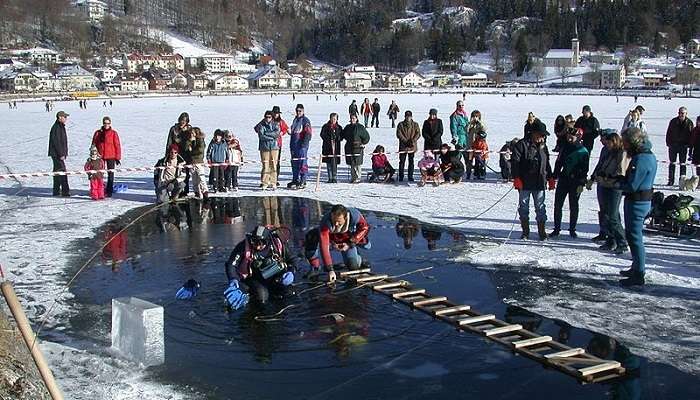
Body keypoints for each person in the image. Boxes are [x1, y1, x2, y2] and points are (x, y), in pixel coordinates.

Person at [616, 128, 657, 286]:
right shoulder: (649, 156)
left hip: (637, 202)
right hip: (641, 200)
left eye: (625, 142)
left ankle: (639, 273)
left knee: (634, 237)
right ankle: (636, 267)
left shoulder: (641, 159)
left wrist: (617, 183)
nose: (624, 146)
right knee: (633, 236)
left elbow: (632, 185)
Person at [223, 226, 299, 307]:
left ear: (268, 240)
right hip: (254, 278)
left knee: (290, 293)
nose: (257, 246)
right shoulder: (243, 247)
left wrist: (291, 272)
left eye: (261, 243)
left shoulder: (277, 243)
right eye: (254, 242)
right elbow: (231, 265)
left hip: (276, 277)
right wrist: (233, 279)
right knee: (262, 297)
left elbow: (292, 259)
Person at [589, 130, 629, 253]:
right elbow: (600, 165)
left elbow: (621, 172)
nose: (605, 144)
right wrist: (595, 176)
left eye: (608, 142)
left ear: (614, 141)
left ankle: (622, 242)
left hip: (614, 187)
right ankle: (611, 239)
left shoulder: (622, 153)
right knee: (606, 214)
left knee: (613, 216)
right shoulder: (608, 152)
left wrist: (608, 177)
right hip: (604, 185)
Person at [511, 128, 554, 240]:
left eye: (543, 136)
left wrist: (550, 177)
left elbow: (547, 163)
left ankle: (542, 232)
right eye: (541, 135)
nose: (542, 138)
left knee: (540, 207)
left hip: (539, 182)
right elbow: (515, 162)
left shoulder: (543, 147)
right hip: (524, 182)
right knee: (524, 207)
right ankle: (525, 232)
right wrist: (516, 177)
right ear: (534, 134)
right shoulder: (522, 145)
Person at [550, 127, 589, 238]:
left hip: (576, 182)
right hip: (564, 179)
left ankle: (572, 229)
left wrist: (581, 183)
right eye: (568, 137)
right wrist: (554, 176)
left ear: (578, 137)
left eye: (571, 137)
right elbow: (559, 163)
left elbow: (584, 169)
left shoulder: (583, 151)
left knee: (573, 205)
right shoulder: (564, 148)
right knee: (558, 205)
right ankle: (557, 229)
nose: (569, 139)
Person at [316, 204, 371, 283]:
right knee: (312, 237)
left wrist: (350, 244)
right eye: (334, 221)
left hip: (349, 238)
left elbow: (364, 228)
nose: (336, 224)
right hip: (335, 240)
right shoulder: (325, 223)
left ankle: (359, 256)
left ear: (345, 218)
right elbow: (324, 246)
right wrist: (330, 270)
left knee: (353, 266)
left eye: (339, 221)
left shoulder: (354, 216)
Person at [91, 116, 122, 197]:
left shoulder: (113, 133)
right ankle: (99, 189)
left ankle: (109, 190)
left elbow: (117, 145)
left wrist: (118, 157)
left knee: (110, 174)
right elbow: (93, 144)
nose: (106, 125)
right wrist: (93, 154)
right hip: (100, 156)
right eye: (105, 123)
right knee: (99, 174)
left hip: (111, 156)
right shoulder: (98, 133)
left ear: (110, 123)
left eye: (108, 123)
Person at [665, 106, 694, 186]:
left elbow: (691, 135)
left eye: (682, 113)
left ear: (686, 114)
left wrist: (689, 145)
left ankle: (682, 181)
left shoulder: (689, 123)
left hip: (683, 146)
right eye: (680, 113)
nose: (681, 114)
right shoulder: (673, 121)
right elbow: (669, 133)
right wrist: (669, 143)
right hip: (673, 145)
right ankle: (671, 180)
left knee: (683, 164)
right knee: (672, 164)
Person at [166, 112, 192, 196]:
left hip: (186, 154)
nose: (182, 122)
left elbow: (192, 141)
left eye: (184, 120)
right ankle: (176, 190)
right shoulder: (174, 129)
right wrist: (167, 154)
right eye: (181, 120)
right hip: (175, 153)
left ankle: (186, 190)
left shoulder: (189, 129)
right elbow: (169, 142)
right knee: (176, 172)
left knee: (186, 173)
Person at [254, 110, 281, 190]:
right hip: (264, 148)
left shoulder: (275, 124)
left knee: (273, 165)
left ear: (272, 118)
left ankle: (273, 182)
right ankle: (265, 182)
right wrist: (271, 137)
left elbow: (276, 134)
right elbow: (261, 136)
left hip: (274, 147)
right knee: (265, 165)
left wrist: (267, 134)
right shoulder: (261, 125)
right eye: (266, 117)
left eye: (269, 117)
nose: (267, 119)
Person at [288, 104, 312, 189]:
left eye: (300, 111)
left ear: (303, 111)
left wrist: (304, 144)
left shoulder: (305, 120)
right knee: (294, 163)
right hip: (293, 145)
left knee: (302, 163)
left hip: (301, 146)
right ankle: (295, 179)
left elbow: (308, 133)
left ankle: (303, 180)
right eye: (297, 111)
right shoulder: (295, 120)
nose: (298, 112)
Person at [342, 113, 370, 183]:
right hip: (349, 147)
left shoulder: (360, 127)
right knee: (351, 164)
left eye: (354, 118)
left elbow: (366, 137)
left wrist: (363, 143)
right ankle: (353, 177)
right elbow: (343, 135)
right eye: (351, 118)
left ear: (356, 119)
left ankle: (358, 177)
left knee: (357, 163)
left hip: (358, 147)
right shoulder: (347, 127)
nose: (352, 120)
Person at [48, 111, 70, 197]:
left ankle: (56, 190)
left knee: (57, 173)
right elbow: (57, 142)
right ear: (60, 117)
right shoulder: (57, 127)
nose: (66, 119)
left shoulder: (60, 126)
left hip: (56, 153)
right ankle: (65, 191)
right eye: (65, 117)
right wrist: (61, 154)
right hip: (57, 154)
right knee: (62, 172)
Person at [396, 110, 420, 182]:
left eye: (409, 116)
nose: (408, 118)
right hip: (403, 146)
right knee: (402, 162)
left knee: (411, 161)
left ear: (411, 117)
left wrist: (412, 141)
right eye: (407, 116)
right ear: (405, 117)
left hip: (412, 146)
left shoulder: (415, 124)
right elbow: (399, 134)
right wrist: (406, 141)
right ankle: (401, 176)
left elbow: (418, 134)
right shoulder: (400, 124)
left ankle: (410, 176)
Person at [320, 113, 343, 183]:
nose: (333, 120)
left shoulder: (339, 127)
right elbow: (322, 135)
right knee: (328, 163)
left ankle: (334, 177)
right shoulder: (325, 126)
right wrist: (328, 138)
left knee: (334, 163)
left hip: (336, 147)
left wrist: (337, 138)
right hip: (327, 147)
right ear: (330, 118)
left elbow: (341, 136)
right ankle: (330, 177)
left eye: (335, 119)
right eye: (332, 118)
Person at [188, 127, 208, 199]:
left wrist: (192, 150)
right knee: (194, 178)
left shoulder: (200, 140)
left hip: (198, 162)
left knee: (201, 178)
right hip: (191, 162)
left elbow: (200, 150)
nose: (191, 134)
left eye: (192, 133)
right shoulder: (190, 140)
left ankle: (205, 192)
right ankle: (196, 192)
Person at [271, 106, 289, 187]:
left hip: (278, 144)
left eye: (277, 113)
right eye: (275, 113)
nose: (276, 115)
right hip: (269, 144)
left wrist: (282, 132)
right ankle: (268, 178)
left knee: (277, 162)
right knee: (268, 162)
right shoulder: (269, 120)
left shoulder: (281, 122)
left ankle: (275, 179)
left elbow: (285, 128)